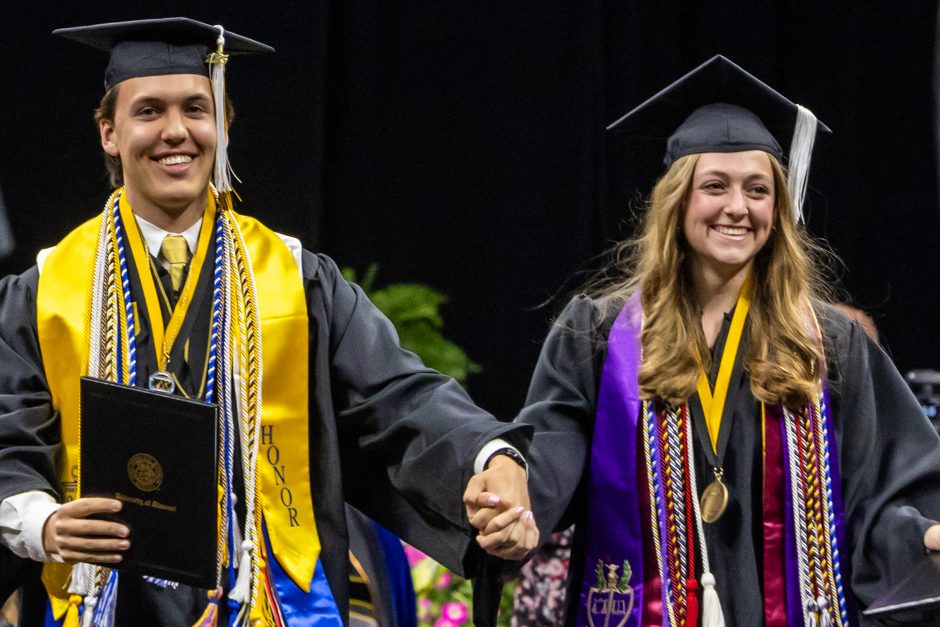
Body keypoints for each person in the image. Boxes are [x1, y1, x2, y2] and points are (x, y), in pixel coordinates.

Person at [0, 18, 536, 626]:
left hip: (264, 600)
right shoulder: (46, 292)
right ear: (109, 133)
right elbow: (5, 429)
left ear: (224, 127)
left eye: (197, 109)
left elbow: (399, 396)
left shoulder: (297, 279)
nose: (176, 131)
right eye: (148, 111)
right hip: (103, 600)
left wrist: (490, 456)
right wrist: (41, 521)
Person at [471, 55, 940, 626]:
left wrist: (924, 534)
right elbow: (552, 456)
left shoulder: (829, 341)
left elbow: (882, 487)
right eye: (714, 186)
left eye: (758, 189)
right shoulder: (598, 334)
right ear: (678, 202)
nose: (737, 208)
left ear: (779, 208)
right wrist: (516, 499)